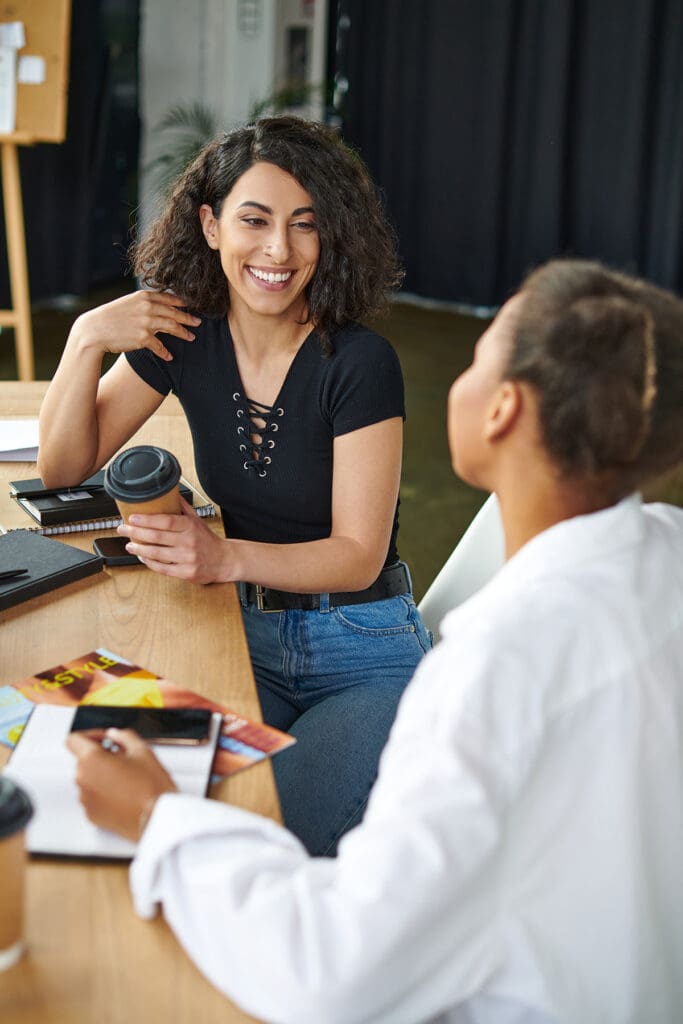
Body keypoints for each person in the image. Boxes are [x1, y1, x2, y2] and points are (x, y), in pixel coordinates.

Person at [66, 257, 683, 1022]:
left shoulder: (490, 671)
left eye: (478, 354)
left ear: (501, 410)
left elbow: (332, 972)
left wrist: (161, 822)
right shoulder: (666, 553)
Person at [38, 116, 431, 856]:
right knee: (122, 789)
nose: (278, 251)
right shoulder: (183, 335)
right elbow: (64, 466)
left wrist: (220, 558)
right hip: (237, 633)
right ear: (211, 225)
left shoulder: (359, 362)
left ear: (330, 237)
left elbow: (355, 553)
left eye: (304, 226)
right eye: (254, 220)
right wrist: (86, 335)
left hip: (360, 651)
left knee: (257, 839)